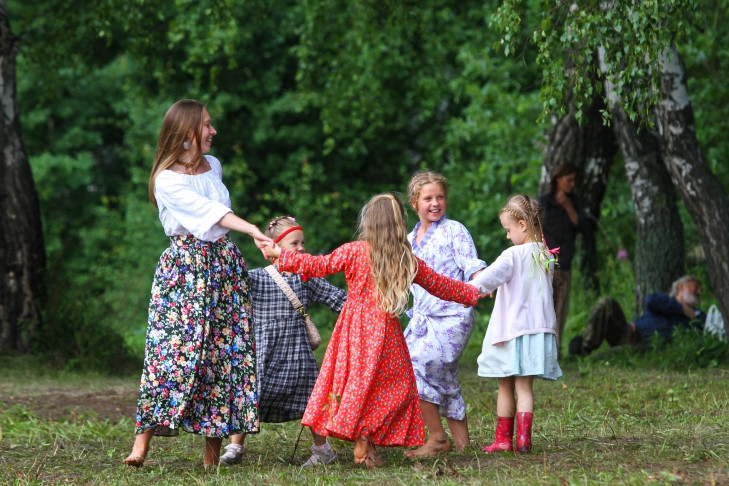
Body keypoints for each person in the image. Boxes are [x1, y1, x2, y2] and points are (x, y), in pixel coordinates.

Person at [263, 193, 483, 468]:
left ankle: (365, 438)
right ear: (399, 224)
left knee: (359, 386)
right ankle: (367, 440)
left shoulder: (355, 251)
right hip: (385, 333)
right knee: (392, 389)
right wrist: (473, 293)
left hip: (354, 331)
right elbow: (440, 284)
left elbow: (319, 265)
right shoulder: (404, 258)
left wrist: (281, 255)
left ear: (368, 222)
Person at [123, 100, 273, 468]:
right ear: (187, 131)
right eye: (206, 125)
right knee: (169, 353)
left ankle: (211, 455)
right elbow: (209, 214)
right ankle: (141, 443)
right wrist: (253, 229)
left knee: (223, 355)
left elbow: (218, 218)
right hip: (185, 270)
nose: (213, 131)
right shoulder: (166, 179)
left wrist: (246, 234)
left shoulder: (214, 165)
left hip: (223, 266)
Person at [219, 216, 347, 467]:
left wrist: (367, 308)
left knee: (312, 399)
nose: (301, 248)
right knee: (250, 395)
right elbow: (227, 288)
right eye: (294, 243)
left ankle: (322, 450)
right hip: (264, 354)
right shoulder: (255, 278)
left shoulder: (307, 278)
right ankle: (235, 446)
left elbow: (338, 300)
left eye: (303, 243)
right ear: (273, 247)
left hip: (298, 356)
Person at [468, 194, 562, 454]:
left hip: (511, 332)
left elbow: (487, 279)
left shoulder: (513, 255)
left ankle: (503, 440)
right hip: (537, 330)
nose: (507, 236)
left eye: (508, 230)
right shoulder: (546, 255)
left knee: (504, 385)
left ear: (522, 225)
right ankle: (523, 441)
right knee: (525, 388)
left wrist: (465, 291)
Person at [402, 170, 487, 457]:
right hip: (422, 321)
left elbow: (472, 265)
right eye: (428, 198)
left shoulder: (454, 230)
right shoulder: (407, 240)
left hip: (453, 316)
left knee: (415, 366)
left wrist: (482, 281)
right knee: (444, 378)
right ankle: (464, 446)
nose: (435, 203)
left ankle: (437, 439)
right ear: (415, 202)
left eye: (440, 197)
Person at [568, 275, 706, 356]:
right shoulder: (665, 300)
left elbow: (703, 330)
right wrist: (680, 308)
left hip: (648, 347)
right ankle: (584, 349)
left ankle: (589, 359)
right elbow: (651, 301)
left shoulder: (697, 316)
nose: (699, 292)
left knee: (618, 354)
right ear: (681, 287)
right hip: (628, 331)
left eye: (701, 290)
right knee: (608, 303)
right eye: (696, 286)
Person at [538, 163, 592, 358]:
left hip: (564, 263)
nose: (572, 184)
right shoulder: (544, 202)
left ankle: (555, 350)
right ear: (558, 180)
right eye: (569, 180)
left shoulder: (574, 202)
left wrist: (568, 207)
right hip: (543, 263)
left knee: (560, 308)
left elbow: (585, 227)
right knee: (542, 306)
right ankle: (540, 349)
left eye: (574, 181)